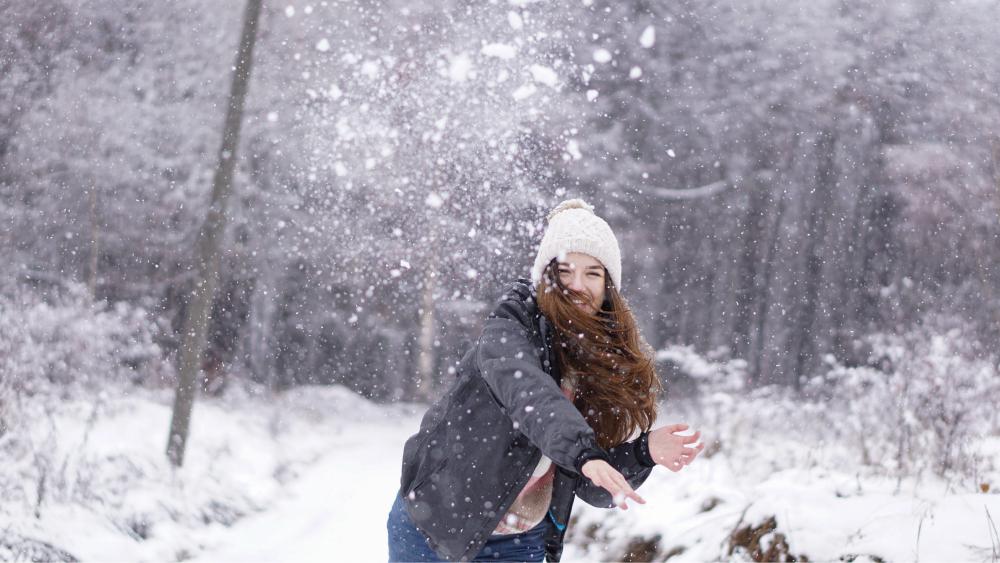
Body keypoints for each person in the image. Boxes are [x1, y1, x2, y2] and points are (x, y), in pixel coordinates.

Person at [387, 199, 705, 562]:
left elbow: (591, 484)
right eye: (565, 271)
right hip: (439, 522)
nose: (578, 285)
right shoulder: (509, 327)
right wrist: (584, 452)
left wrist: (643, 453)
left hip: (520, 540)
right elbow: (531, 397)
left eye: (593, 273)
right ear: (546, 275)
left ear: (608, 286)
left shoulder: (601, 360)